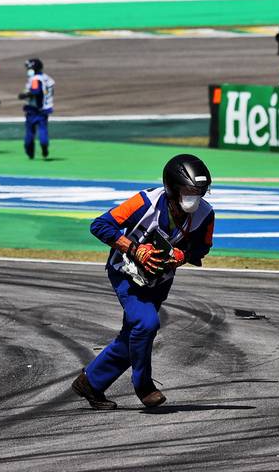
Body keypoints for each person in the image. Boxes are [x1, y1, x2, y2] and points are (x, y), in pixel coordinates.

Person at [71, 153, 216, 410]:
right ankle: (144, 386)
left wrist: (182, 256)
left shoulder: (205, 214)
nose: (195, 197)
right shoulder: (145, 201)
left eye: (200, 191)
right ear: (172, 187)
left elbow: (202, 248)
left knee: (134, 336)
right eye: (189, 190)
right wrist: (135, 249)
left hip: (160, 279)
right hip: (125, 272)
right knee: (146, 324)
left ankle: (90, 383)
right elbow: (100, 225)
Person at [18, 57, 54, 159]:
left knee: (30, 131)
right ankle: (44, 145)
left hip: (34, 109)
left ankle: (29, 151)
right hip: (45, 108)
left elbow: (36, 90)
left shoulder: (35, 79)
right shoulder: (46, 78)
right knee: (43, 129)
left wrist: (24, 95)